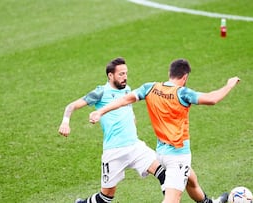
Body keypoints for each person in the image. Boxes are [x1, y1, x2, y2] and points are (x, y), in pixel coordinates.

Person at [89, 59, 240, 203]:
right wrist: (229, 85)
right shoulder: (182, 93)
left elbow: (124, 100)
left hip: (161, 153)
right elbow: (211, 99)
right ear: (185, 76)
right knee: (172, 199)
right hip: (178, 156)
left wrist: (100, 111)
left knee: (191, 181)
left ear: (170, 73)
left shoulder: (150, 88)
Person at [58, 57, 166, 203]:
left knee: (164, 174)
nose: (125, 77)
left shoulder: (127, 90)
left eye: (126, 73)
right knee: (106, 197)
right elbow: (71, 106)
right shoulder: (100, 92)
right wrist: (65, 122)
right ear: (110, 76)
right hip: (114, 151)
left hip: (135, 147)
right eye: (121, 74)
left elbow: (129, 111)